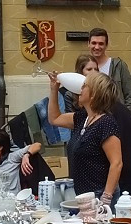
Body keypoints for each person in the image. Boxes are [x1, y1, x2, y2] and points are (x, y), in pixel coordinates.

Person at [66, 55, 131, 192]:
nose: (93, 73)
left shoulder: (112, 112)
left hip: (123, 178)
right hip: (96, 183)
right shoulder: (84, 112)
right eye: (89, 69)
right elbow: (54, 119)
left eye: (96, 69)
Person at [47, 71, 122, 203]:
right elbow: (55, 119)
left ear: (94, 94)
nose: (80, 88)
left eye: (85, 86)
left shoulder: (106, 122)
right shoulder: (83, 118)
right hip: (81, 195)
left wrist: (106, 198)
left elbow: (116, 163)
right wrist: (54, 89)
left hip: (98, 196)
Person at [88, 28, 131, 111]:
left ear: (106, 45)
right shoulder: (84, 66)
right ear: (88, 44)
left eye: (101, 44)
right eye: (94, 43)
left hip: (116, 117)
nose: (97, 47)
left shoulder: (118, 65)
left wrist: (125, 116)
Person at [0, 129, 40, 194]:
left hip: (12, 200)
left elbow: (37, 145)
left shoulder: (12, 158)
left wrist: (27, 155)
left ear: (0, 147)